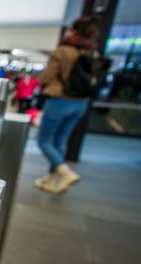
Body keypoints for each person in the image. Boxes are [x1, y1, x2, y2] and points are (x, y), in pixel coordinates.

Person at [34, 16, 98, 194]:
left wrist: (41, 79)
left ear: (74, 32)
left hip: (60, 100)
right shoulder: (91, 52)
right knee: (60, 140)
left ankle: (65, 173)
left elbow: (46, 77)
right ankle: (51, 178)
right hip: (80, 103)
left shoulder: (63, 51)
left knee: (44, 141)